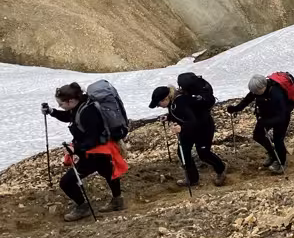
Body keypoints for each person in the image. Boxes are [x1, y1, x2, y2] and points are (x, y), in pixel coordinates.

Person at [43, 82, 128, 220]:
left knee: (66, 182)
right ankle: (118, 201)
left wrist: (74, 148)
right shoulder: (82, 105)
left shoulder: (88, 112)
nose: (61, 107)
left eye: (61, 104)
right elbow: (70, 116)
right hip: (102, 150)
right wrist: (52, 112)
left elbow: (92, 138)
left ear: (70, 101)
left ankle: (83, 208)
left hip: (94, 152)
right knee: (108, 172)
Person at [149, 83, 227, 188]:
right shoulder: (173, 102)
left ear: (165, 98)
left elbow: (192, 120)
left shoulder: (179, 102)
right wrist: (169, 117)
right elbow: (179, 114)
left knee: (203, 153)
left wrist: (181, 128)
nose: (159, 106)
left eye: (158, 104)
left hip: (203, 127)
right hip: (189, 128)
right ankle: (192, 179)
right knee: (183, 152)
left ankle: (221, 169)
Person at [227, 73, 294, 173]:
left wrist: (266, 122)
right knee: (258, 135)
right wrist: (236, 108)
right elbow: (248, 99)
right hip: (266, 116)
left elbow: (281, 117)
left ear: (263, 87)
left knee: (278, 140)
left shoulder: (277, 94)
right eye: (253, 91)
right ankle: (273, 154)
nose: (254, 93)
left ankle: (281, 162)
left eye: (256, 91)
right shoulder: (258, 89)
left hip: (282, 116)